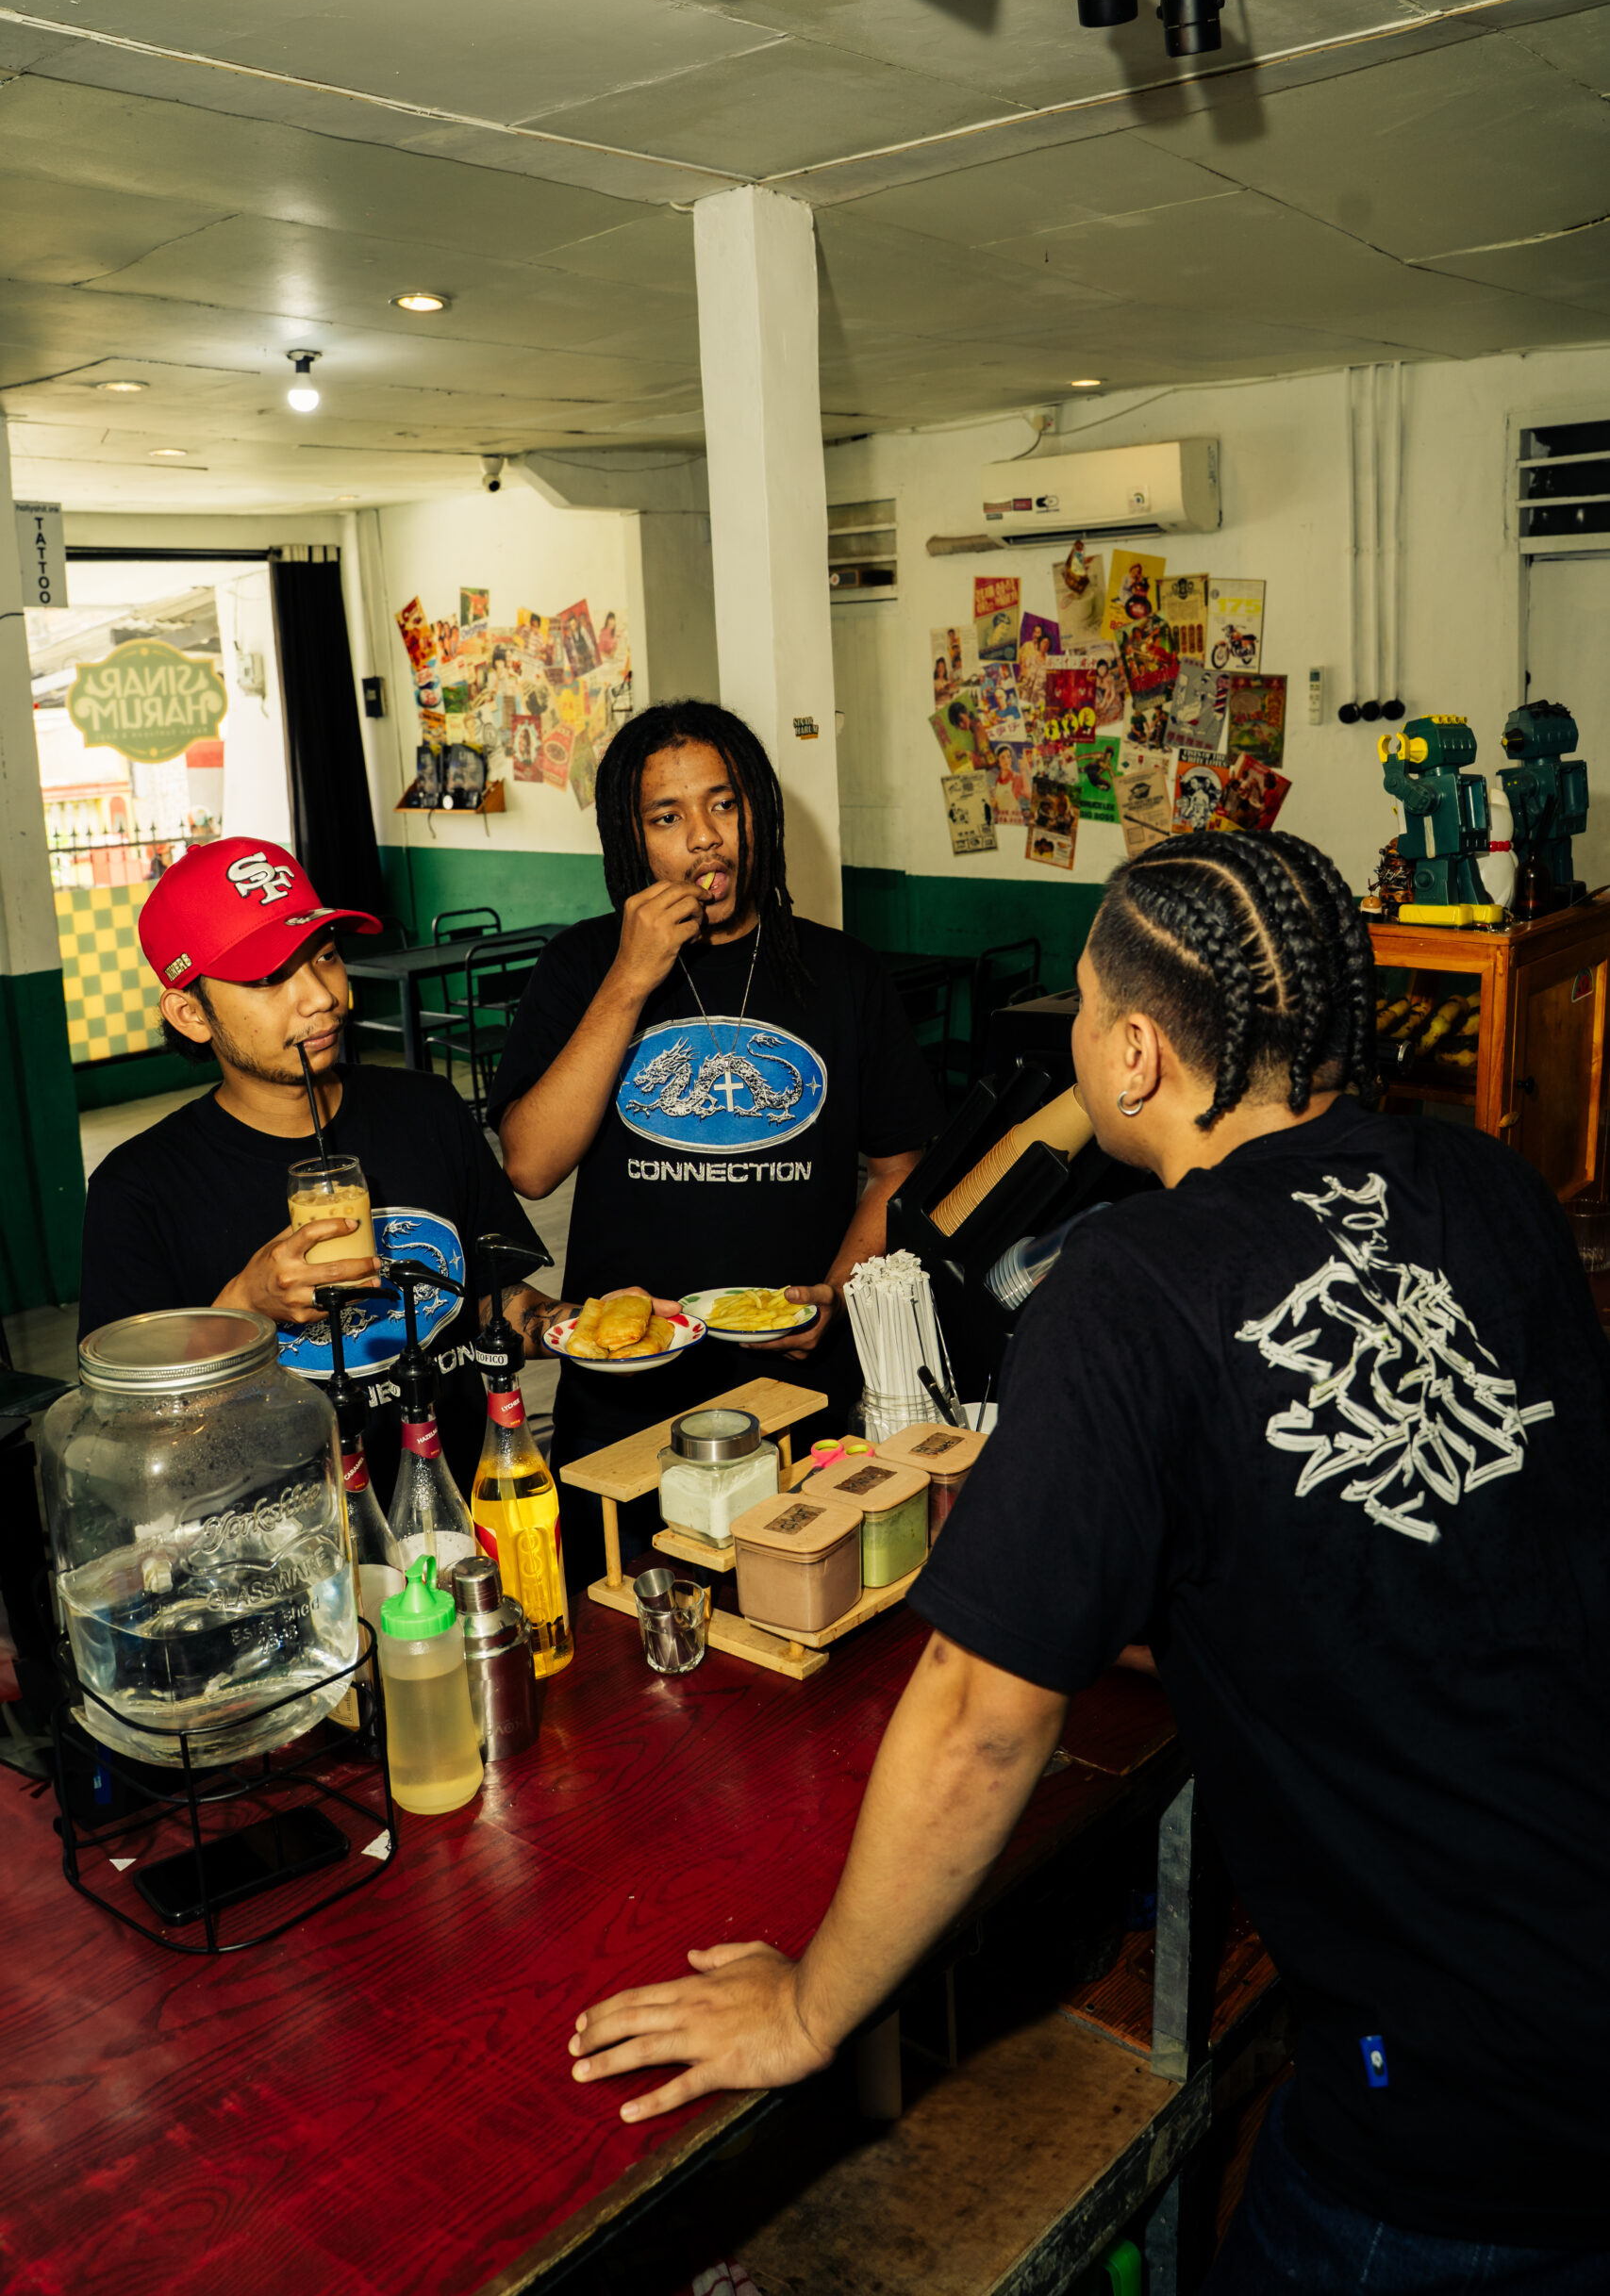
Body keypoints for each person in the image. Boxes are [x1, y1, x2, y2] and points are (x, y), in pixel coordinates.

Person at [566, 829, 1610, 2291]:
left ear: (1131, 1052)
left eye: (1084, 1007)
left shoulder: (1130, 1284)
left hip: (1470, 2105)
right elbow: (1373, 1539)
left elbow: (979, 1725)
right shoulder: (1483, 1182)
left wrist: (807, 2013)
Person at [490, 701, 942, 1572]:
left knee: (799, 1609)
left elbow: (898, 1167)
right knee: (620, 1619)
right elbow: (531, 1165)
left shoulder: (843, 972)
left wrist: (836, 1294)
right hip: (624, 1387)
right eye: (666, 817)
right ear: (630, 840)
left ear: (758, 813)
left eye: (723, 804)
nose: (704, 838)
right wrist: (628, 981)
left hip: (793, 1388)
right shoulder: (582, 966)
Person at [79, 836, 562, 1495]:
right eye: (267, 979)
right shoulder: (139, 1188)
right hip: (287, 1531)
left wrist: (580, 1327)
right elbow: (129, 1435)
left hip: (460, 1498)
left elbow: (487, 1299)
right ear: (191, 1014)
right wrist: (244, 1304)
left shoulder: (426, 1108)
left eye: (326, 956)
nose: (320, 997)